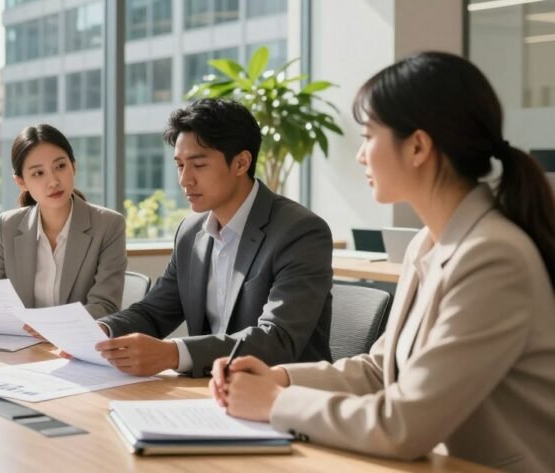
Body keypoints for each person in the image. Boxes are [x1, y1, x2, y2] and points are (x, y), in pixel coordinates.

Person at [211, 52, 555, 473]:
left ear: (418, 146)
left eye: (368, 136)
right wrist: (280, 377)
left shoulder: (493, 257)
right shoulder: (426, 244)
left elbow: (403, 424)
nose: (360, 156)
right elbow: (380, 371)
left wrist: (277, 403)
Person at [94, 99, 333, 377]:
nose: (185, 180)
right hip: (208, 391)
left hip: (280, 396)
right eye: (180, 165)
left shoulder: (299, 231)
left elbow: (277, 338)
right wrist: (101, 330)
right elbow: (154, 311)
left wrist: (174, 353)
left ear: (242, 163)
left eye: (199, 165)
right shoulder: (190, 231)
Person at [0, 124, 126, 335]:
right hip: (21, 349)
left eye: (60, 166)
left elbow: (104, 307)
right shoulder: (8, 225)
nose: (53, 181)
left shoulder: (108, 225)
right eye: (38, 173)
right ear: (21, 182)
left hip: (77, 350)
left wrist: (51, 328)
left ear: (74, 167)